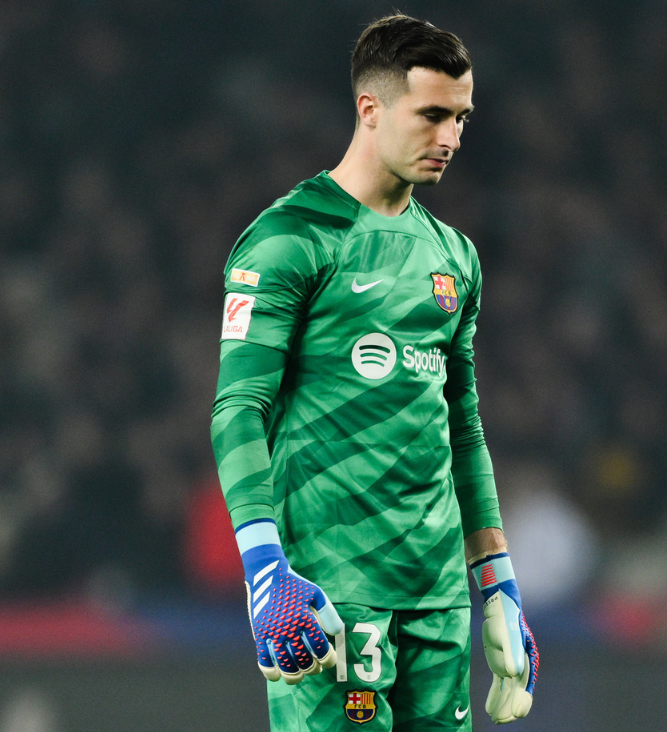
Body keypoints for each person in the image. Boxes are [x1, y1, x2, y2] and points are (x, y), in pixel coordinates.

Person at [210, 14, 538, 731]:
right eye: (432, 115)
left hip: (438, 598)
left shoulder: (454, 257)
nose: (451, 137)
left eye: (461, 118)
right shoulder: (289, 239)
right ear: (370, 108)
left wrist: (497, 582)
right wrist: (264, 569)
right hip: (329, 595)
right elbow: (238, 408)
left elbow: (461, 426)